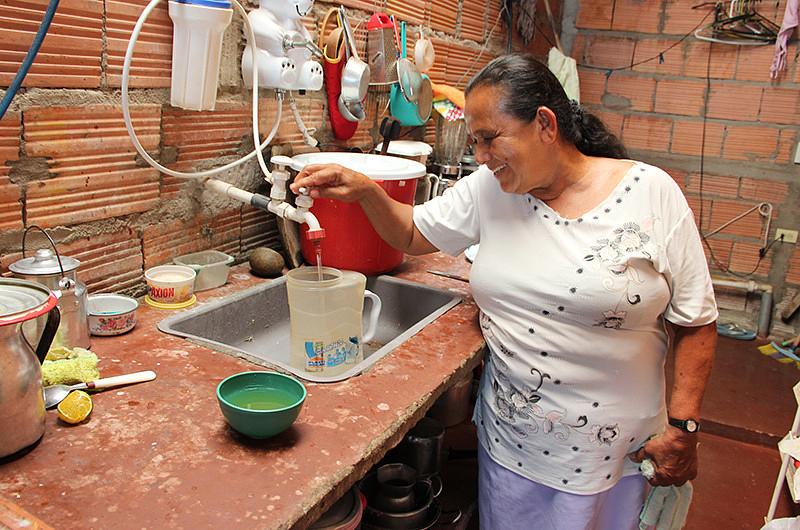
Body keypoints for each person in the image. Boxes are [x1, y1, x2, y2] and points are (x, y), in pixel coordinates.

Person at [291, 53, 718, 530]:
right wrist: (367, 189)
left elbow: (696, 320)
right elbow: (413, 234)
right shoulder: (490, 189)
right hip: (513, 447)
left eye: (490, 139)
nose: (481, 156)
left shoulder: (650, 193)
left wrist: (684, 430)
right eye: (475, 142)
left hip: (615, 454)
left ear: (545, 124)